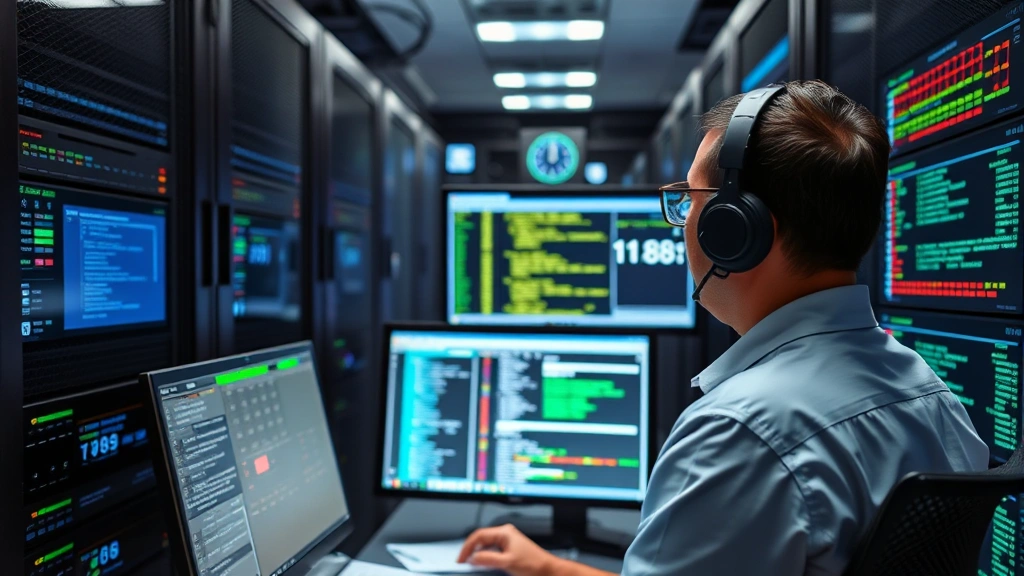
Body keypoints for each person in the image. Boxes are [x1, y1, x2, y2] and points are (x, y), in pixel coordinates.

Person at [456, 80, 990, 576]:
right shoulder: (931, 397)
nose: (680, 225)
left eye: (688, 201)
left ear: (736, 230)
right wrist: (551, 567)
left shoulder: (740, 433)